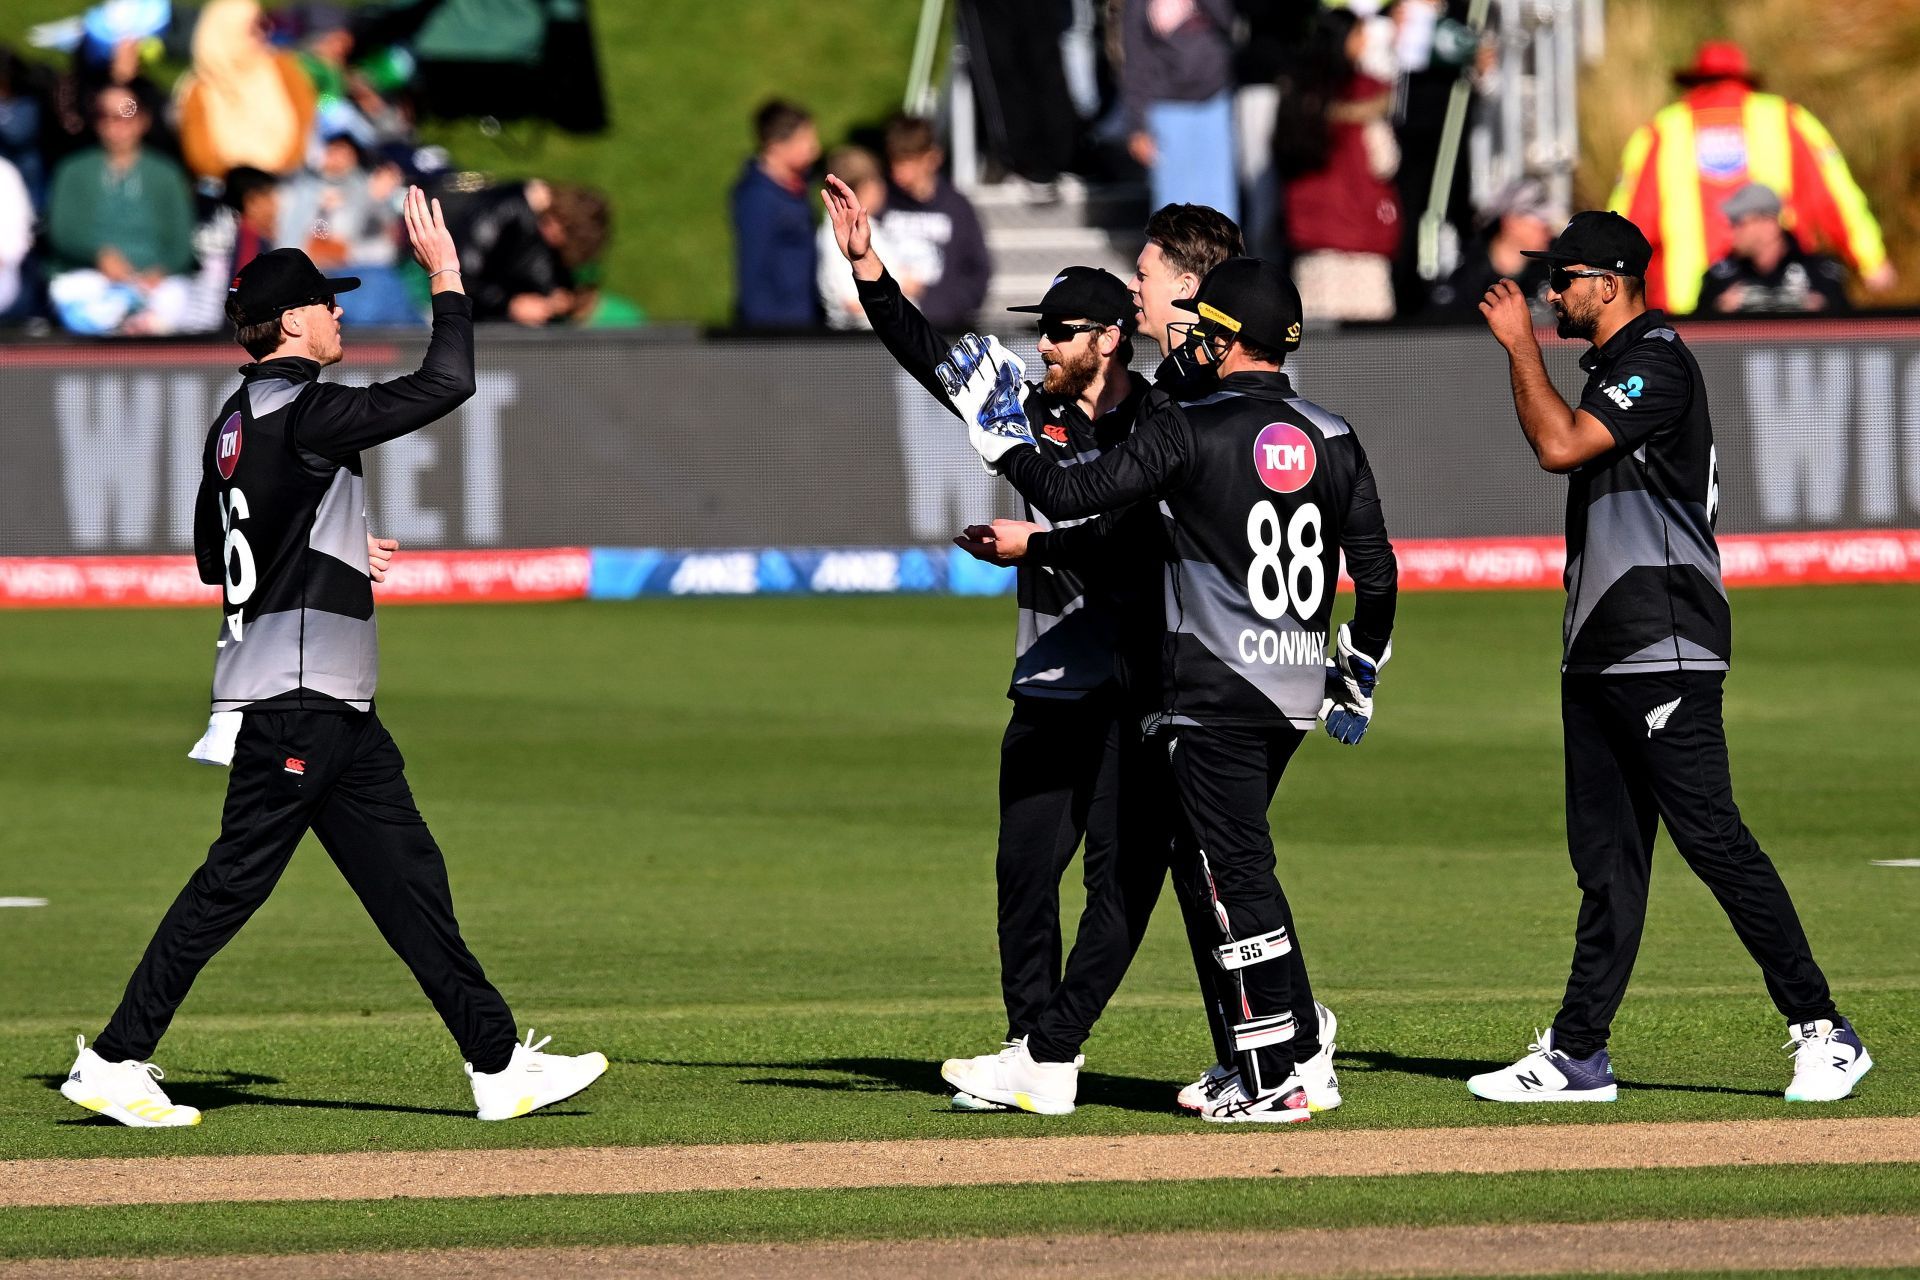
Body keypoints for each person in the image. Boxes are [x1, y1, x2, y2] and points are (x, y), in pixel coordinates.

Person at [58, 194, 608, 1129]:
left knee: (409, 877)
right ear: (292, 323)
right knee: (234, 880)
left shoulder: (235, 420)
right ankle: (114, 1058)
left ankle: (495, 1062)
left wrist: (341, 543)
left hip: (326, 699)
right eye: (329, 302)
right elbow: (447, 384)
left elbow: (213, 554)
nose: (342, 313)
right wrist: (447, 281)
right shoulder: (305, 413)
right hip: (298, 697)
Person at [939, 256, 1400, 1121]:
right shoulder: (1333, 431)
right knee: (1215, 866)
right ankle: (1276, 1052)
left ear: (1230, 340)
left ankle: (1278, 1077)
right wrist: (1361, 667)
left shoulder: (1187, 426)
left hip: (1207, 689)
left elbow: (1077, 491)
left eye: (1203, 330)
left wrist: (1001, 437)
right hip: (1294, 688)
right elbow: (1375, 572)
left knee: (1234, 880)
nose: (1187, 343)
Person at [1470, 210, 1871, 1105]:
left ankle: (1825, 1030)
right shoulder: (1619, 365)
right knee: (1608, 862)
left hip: (1666, 643)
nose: (1551, 291)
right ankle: (1579, 1052)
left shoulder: (1655, 361)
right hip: (1604, 648)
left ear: (1608, 285)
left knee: (1712, 839)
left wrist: (1519, 348)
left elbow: (1560, 446)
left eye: (1564, 277)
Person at [825, 171, 1167, 1114]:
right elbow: (930, 357)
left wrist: (1038, 542)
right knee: (1024, 876)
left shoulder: (1159, 422)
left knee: (1117, 881)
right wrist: (869, 269)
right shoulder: (1028, 402)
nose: (1043, 344)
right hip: (1051, 672)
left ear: (1107, 339)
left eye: (1060, 332)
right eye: (1041, 329)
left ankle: (1063, 1048)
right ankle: (1029, 1048)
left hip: (1137, 681)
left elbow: (1140, 542)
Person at [1608, 40, 1893, 315]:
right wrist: (1871, 260)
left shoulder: (1660, 131)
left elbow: (1627, 223)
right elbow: (1835, 197)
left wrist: (1609, 287)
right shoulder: (1785, 118)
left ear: (1694, 81)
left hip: (1682, 307)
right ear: (1745, 79)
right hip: (1789, 297)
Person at [1274, 7, 1400, 321]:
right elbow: (1384, 161)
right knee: (1368, 348)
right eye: (1360, 33)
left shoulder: (1297, 93)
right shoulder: (1366, 91)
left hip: (1312, 237)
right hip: (1361, 234)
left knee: (1319, 347)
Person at [44, 87, 196, 334]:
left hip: (154, 281)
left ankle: (133, 323)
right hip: (90, 276)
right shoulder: (72, 170)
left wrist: (159, 271)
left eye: (127, 112)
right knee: (70, 293)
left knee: (174, 302)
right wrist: (98, 255)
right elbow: (61, 232)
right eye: (105, 115)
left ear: (143, 119)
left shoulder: (167, 174)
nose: (116, 123)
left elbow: (182, 246)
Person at [278, 131, 418, 326]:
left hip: (362, 276)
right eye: (333, 149)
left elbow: (386, 242)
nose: (337, 157)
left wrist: (373, 200)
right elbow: (294, 240)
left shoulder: (366, 190)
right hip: (315, 277)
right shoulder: (302, 191)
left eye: (345, 151)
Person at [175, 0, 319, 181]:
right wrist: (244, 183)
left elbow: (305, 119)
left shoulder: (283, 68)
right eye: (253, 28)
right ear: (227, 32)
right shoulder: (198, 89)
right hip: (230, 190)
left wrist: (280, 169)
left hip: (287, 183)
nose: (263, 34)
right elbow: (200, 155)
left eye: (264, 25)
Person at [1121, 0, 1238, 221]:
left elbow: (1228, 21)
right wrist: (1136, 126)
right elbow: (1135, 61)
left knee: (1220, 208)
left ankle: (1222, 257)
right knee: (1173, 213)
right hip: (1166, 108)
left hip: (1215, 101)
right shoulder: (1137, 4)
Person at [877, 114, 990, 332]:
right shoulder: (881, 201)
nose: (899, 173)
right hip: (886, 329)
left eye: (908, 162)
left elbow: (977, 274)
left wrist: (936, 304)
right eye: (895, 162)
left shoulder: (957, 207)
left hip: (941, 329)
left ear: (932, 158)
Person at [730, 98, 821, 329]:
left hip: (806, 318)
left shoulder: (797, 186)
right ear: (776, 146)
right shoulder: (757, 198)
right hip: (776, 327)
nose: (815, 148)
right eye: (805, 140)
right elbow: (753, 267)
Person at [1698, 183, 1849, 315]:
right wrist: (1719, 312)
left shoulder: (1819, 272)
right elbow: (1693, 334)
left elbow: (1849, 331)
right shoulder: (1721, 276)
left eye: (1739, 223)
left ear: (1769, 224)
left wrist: (1819, 309)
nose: (1733, 231)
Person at [1426, 179, 1562, 319]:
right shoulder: (1462, 276)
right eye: (1541, 221)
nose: (1548, 230)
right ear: (1510, 221)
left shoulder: (1554, 273)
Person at [815, 145, 912, 331]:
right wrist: (905, 287)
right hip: (864, 343)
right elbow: (851, 301)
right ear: (866, 186)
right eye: (879, 181)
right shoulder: (837, 235)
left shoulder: (870, 226)